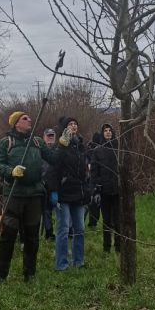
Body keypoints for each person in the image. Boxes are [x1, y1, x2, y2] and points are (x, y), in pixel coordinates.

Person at [0, 111, 58, 282]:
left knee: (32, 237)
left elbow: (54, 159)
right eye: (25, 118)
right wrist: (11, 171)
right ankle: (1, 275)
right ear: (16, 123)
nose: (29, 120)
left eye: (29, 117)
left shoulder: (37, 141)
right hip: (13, 194)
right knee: (8, 236)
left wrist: (63, 146)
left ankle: (29, 274)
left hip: (34, 195)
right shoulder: (6, 142)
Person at [54, 116, 90, 271]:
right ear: (65, 128)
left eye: (75, 123)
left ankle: (79, 261)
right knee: (63, 230)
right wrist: (53, 191)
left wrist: (87, 190)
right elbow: (53, 169)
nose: (73, 126)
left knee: (79, 229)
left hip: (78, 193)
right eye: (70, 124)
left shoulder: (81, 146)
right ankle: (61, 264)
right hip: (63, 193)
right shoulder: (61, 146)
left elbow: (85, 171)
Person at [91, 122, 120, 254]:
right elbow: (94, 172)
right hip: (104, 191)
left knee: (118, 220)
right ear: (102, 134)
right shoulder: (98, 150)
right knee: (106, 221)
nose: (108, 132)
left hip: (117, 190)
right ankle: (106, 247)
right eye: (105, 131)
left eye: (110, 130)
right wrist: (97, 188)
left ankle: (119, 246)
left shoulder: (119, 148)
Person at [41, 128, 57, 240]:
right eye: (48, 136)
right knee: (46, 210)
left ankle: (65, 231)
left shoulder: (58, 150)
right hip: (43, 185)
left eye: (52, 136)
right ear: (44, 137)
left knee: (58, 208)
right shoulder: (40, 150)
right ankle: (49, 232)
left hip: (56, 186)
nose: (50, 138)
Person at [86, 132, 103, 227]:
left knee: (93, 203)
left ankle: (92, 223)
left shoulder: (89, 150)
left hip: (92, 179)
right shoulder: (93, 151)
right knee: (94, 203)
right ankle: (93, 223)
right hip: (93, 179)